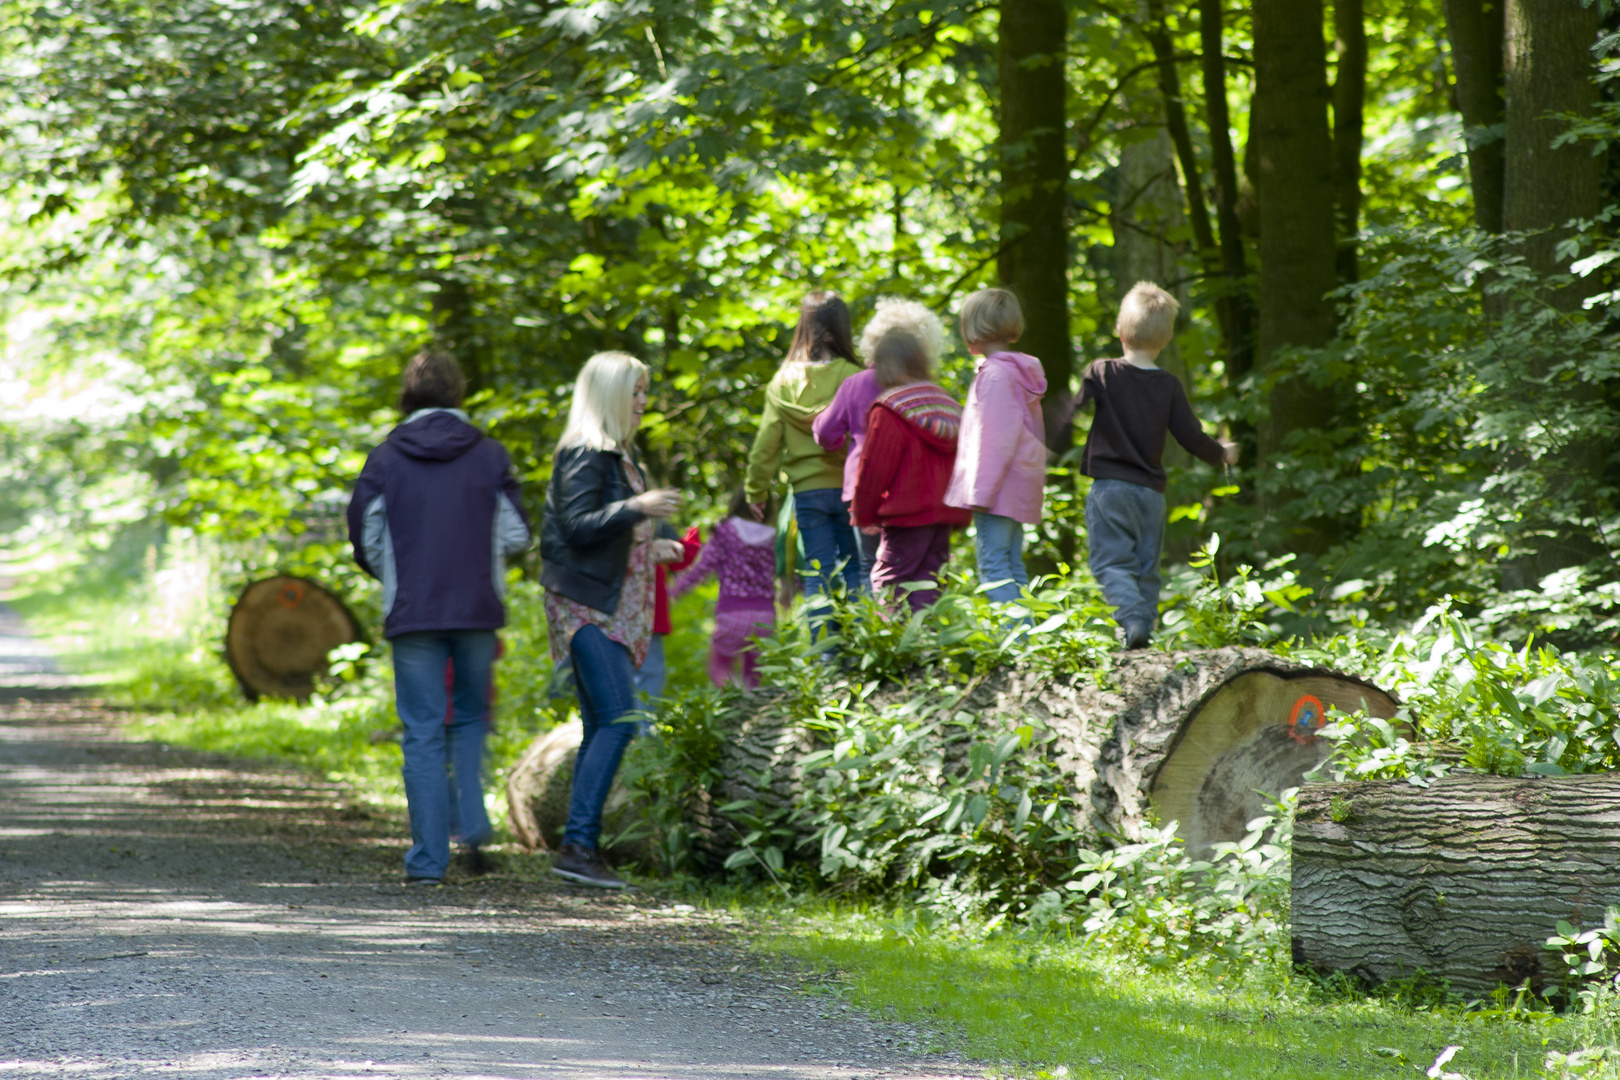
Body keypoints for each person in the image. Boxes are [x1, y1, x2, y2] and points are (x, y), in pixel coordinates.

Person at [346, 350, 531, 886]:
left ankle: (428, 861)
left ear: (408, 393)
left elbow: (366, 537)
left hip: (414, 614)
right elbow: (518, 533)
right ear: (458, 392)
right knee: (472, 719)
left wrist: (399, 577)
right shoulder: (489, 454)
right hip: (476, 610)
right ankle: (473, 823)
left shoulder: (385, 459)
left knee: (422, 732)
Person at [540, 351, 686, 889]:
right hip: (586, 606)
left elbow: (601, 539)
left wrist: (655, 547)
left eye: (646, 392)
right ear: (609, 396)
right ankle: (577, 846)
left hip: (604, 601)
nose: (644, 403)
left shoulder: (617, 456)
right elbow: (577, 528)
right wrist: (639, 507)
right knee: (620, 718)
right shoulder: (586, 453)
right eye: (636, 393)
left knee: (603, 723)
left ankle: (579, 846)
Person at [1068, 282, 1239, 649]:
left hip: (1110, 489)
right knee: (1147, 568)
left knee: (1111, 563)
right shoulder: (1169, 385)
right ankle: (1141, 631)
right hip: (1150, 494)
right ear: (1166, 338)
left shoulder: (1102, 372)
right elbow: (1191, 436)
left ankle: (1130, 621)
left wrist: (1042, 442)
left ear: (1119, 331)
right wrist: (1222, 453)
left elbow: (1070, 410)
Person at [814, 298, 948, 592]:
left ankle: (879, 633)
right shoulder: (926, 390)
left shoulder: (857, 384)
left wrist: (838, 440)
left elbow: (825, 433)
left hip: (866, 491)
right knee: (925, 571)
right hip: (918, 493)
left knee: (869, 567)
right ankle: (922, 632)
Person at [745, 291, 863, 607]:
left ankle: (827, 653)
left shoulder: (782, 382)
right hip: (851, 489)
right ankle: (861, 648)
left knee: (818, 574)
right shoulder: (854, 378)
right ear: (839, 330)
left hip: (807, 493)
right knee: (856, 568)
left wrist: (756, 491)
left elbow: (765, 445)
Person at [851, 330, 971, 612]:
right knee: (929, 584)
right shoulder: (948, 404)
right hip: (943, 514)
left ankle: (896, 650)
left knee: (890, 583)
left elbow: (874, 468)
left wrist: (862, 513)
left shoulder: (890, 409)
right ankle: (926, 650)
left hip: (906, 515)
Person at [944, 289, 1048, 605]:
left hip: (997, 491)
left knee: (993, 566)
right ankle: (1026, 641)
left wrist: (981, 492)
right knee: (1011, 563)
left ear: (973, 329)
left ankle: (1013, 644)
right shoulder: (1015, 371)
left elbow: (994, 441)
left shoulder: (996, 376)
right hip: (1016, 486)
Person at [669, 487, 778, 688]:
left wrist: (674, 591)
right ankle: (754, 707)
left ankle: (737, 697)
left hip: (733, 614)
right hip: (765, 617)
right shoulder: (774, 537)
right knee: (754, 673)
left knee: (719, 666)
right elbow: (788, 571)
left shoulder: (726, 532)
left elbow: (701, 568)